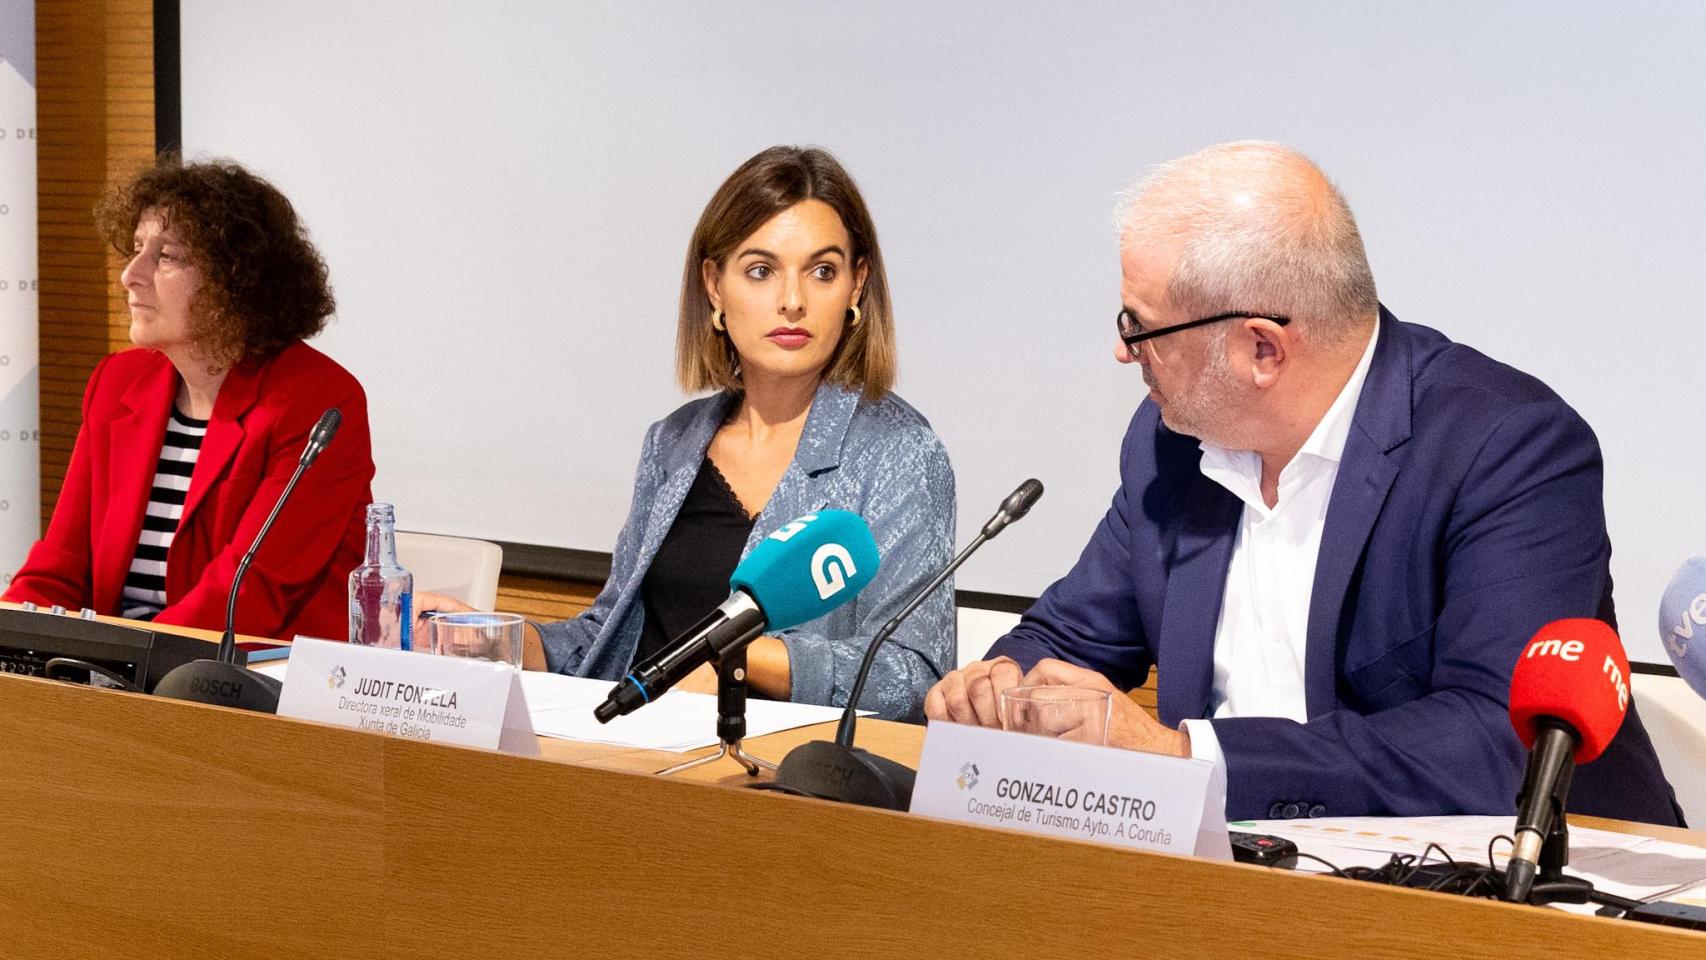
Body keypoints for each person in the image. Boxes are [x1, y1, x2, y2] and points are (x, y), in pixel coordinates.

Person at [925, 141, 1683, 825]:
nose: (1123, 354)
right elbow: (1068, 637)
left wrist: (1182, 758)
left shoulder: (1508, 446)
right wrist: (999, 690)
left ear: (1261, 349)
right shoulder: (1173, 445)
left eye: (1139, 327)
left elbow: (1491, 743)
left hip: (1528, 899)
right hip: (1241, 883)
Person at [421, 146, 955, 721]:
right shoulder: (672, 444)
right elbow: (609, 638)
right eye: (760, 270)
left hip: (783, 779)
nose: (793, 300)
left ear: (856, 287)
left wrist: (743, 657)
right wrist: (497, 640)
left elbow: (912, 677)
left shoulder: (900, 452)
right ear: (715, 286)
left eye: (822, 271)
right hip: (641, 755)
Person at [5, 159, 375, 641]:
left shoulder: (317, 399)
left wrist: (122, 668)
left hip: (250, 683)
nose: (130, 276)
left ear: (235, 280)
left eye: (166, 256)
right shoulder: (118, 383)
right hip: (122, 673)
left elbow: (247, 593)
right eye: (136, 249)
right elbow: (61, 566)